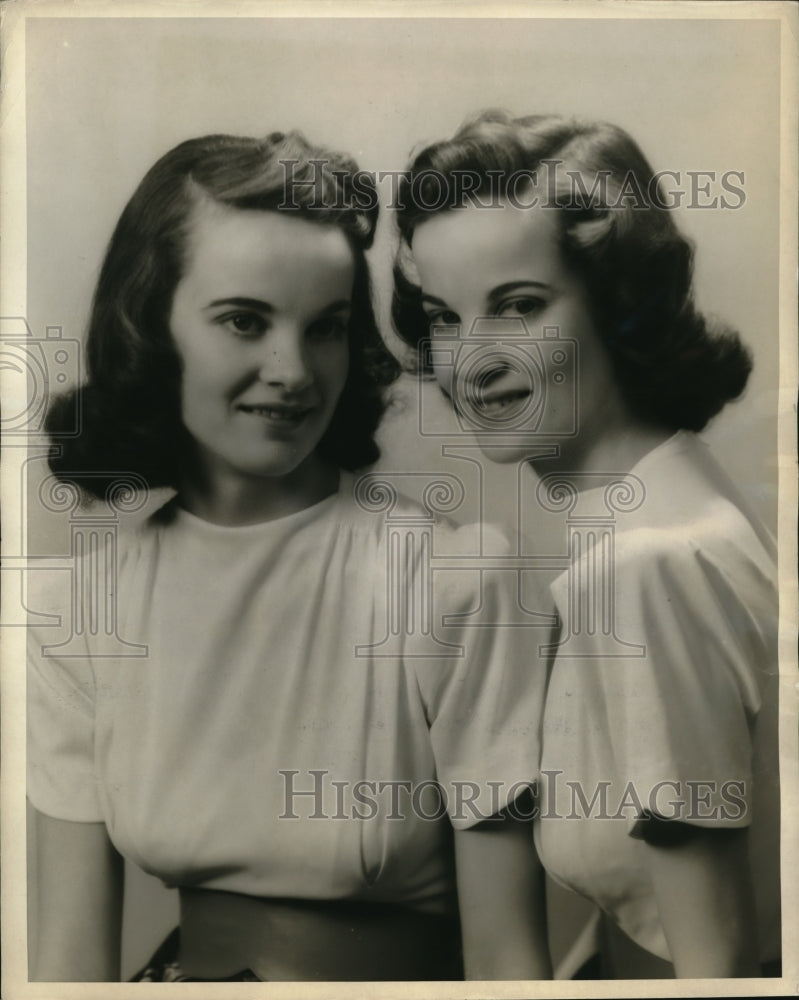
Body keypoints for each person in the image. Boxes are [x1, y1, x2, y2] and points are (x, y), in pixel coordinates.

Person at [27, 130, 552, 982]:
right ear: (150, 324)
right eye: (244, 320)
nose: (293, 370)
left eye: (327, 328)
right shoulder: (74, 614)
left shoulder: (450, 583)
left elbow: (508, 959)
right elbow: (66, 966)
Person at [392, 111, 780, 979]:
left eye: (518, 307)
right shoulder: (682, 507)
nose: (470, 361)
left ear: (617, 302)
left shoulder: (645, 566)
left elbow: (718, 969)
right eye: (444, 318)